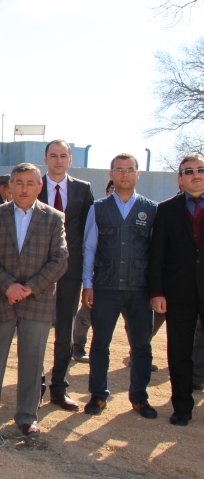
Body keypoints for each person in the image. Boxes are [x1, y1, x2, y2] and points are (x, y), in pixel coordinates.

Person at [0, 163, 68, 438]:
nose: (23, 188)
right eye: (18, 182)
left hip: (38, 301)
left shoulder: (54, 218)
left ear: (39, 186)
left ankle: (26, 416)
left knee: (32, 361)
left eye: (30, 183)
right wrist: (8, 285)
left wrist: (29, 288)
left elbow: (60, 260)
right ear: (10, 186)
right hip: (1, 298)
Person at [81, 154, 158, 419]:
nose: (124, 175)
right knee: (100, 343)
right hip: (105, 288)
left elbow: (157, 253)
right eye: (119, 170)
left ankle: (139, 397)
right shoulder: (98, 208)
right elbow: (89, 247)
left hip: (139, 290)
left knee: (141, 346)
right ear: (111, 174)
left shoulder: (151, 209)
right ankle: (98, 395)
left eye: (130, 170)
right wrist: (88, 284)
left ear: (138, 174)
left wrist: (155, 289)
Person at [38, 139, 95, 411]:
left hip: (70, 271)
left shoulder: (83, 190)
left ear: (70, 159)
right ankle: (33, 387)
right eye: (53, 156)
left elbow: (89, 234)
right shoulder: (33, 186)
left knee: (64, 330)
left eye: (63, 156)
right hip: (37, 271)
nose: (58, 160)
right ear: (45, 159)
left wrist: (87, 276)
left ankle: (58, 388)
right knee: (34, 330)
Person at [149, 153, 204, 425]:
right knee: (179, 351)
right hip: (179, 292)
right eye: (189, 171)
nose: (196, 174)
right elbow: (157, 253)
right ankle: (182, 406)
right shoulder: (166, 209)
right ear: (180, 179)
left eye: (200, 169)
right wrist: (156, 292)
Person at [73, 178, 115, 363]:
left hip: (127, 278)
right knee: (86, 315)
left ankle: (134, 353)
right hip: (101, 274)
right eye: (111, 189)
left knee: (134, 323)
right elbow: (88, 246)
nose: (114, 192)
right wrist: (88, 280)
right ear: (106, 192)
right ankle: (78, 347)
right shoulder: (98, 210)